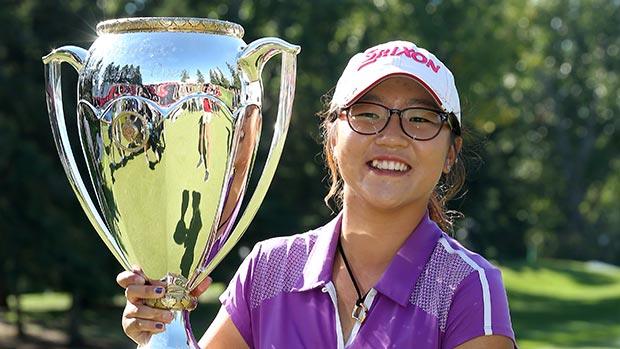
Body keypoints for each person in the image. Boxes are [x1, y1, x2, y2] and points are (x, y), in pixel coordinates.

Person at [117, 40, 518, 348]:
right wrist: (159, 326)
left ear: (451, 152)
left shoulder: (468, 288)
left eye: (420, 119)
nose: (392, 137)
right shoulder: (268, 270)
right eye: (368, 114)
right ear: (332, 140)